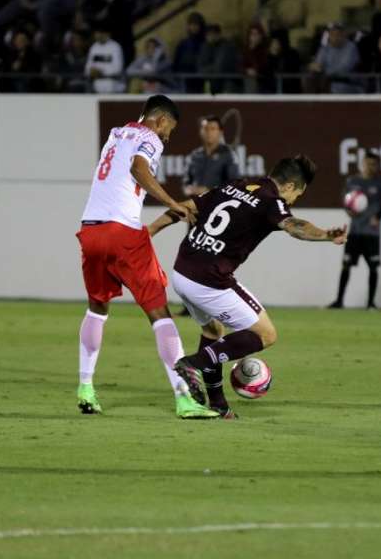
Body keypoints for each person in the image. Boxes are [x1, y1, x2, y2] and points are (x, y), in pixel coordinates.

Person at [147, 155, 347, 418]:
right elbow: (294, 227)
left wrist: (149, 230)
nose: (294, 201)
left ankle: (218, 405)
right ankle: (193, 364)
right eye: (297, 194)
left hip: (182, 271)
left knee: (213, 330)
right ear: (288, 186)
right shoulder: (271, 201)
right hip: (209, 280)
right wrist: (324, 235)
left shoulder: (236, 185)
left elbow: (187, 207)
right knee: (266, 334)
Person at [75, 95, 217, 420]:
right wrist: (173, 202)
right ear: (162, 120)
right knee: (160, 314)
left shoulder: (116, 133)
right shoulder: (150, 137)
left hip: (91, 231)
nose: (169, 137)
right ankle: (185, 399)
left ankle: (86, 387)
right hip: (123, 234)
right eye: (171, 129)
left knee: (97, 308)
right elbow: (138, 169)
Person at [328, 151, 381, 310]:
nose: (370, 167)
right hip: (355, 231)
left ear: (377, 166)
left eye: (374, 164)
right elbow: (346, 203)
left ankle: (370, 303)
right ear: (362, 163)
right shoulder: (352, 182)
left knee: (373, 267)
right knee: (346, 265)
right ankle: (339, 301)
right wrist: (349, 210)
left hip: (372, 233)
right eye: (368, 163)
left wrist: (378, 216)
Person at [182, 115, 240, 197]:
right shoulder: (194, 156)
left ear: (220, 132)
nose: (208, 132)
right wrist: (189, 189)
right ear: (200, 131)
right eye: (205, 129)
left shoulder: (229, 155)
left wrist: (207, 190)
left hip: (218, 205)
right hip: (195, 205)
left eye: (212, 129)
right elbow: (186, 184)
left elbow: (234, 185)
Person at [309, 22, 362, 94]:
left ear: (344, 35)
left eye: (338, 34)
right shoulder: (325, 48)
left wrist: (324, 72)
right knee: (311, 78)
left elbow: (344, 68)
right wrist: (314, 66)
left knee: (329, 85)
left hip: (347, 83)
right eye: (332, 34)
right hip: (327, 82)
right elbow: (317, 64)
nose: (335, 37)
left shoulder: (351, 47)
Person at [85, 25, 125, 93]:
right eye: (96, 33)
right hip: (97, 86)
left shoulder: (115, 47)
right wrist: (91, 71)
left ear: (107, 34)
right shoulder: (94, 47)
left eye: (100, 33)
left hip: (113, 85)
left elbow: (118, 69)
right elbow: (87, 68)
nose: (98, 36)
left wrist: (101, 71)